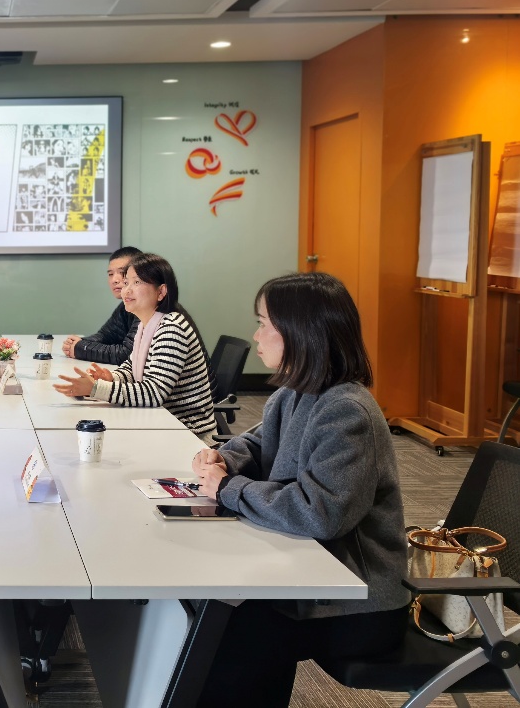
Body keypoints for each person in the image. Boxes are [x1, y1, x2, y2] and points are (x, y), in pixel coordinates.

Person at [191, 272, 409, 708]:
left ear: (300, 333)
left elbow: (318, 513)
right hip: (315, 577)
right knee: (215, 617)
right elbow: (257, 444)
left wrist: (229, 488)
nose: (257, 336)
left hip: (358, 603)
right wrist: (224, 459)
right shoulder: (294, 393)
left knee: (229, 633)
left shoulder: (346, 411)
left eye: (264, 324)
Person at [54, 253, 216, 435]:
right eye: (126, 283)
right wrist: (112, 377)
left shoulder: (172, 328)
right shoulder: (147, 324)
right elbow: (132, 368)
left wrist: (96, 389)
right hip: (163, 424)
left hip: (190, 434)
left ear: (161, 292)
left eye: (137, 282)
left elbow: (154, 393)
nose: (126, 290)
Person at [61, 246, 142, 364]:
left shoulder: (148, 306)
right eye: (110, 274)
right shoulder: (125, 306)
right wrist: (78, 343)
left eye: (122, 272)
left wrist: (81, 348)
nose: (115, 279)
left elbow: (127, 354)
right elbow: (105, 336)